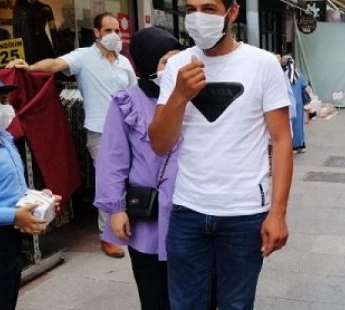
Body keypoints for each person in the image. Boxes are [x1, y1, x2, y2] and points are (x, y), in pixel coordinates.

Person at [147, 0, 293, 309]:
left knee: (236, 305)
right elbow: (159, 143)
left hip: (244, 214)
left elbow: (281, 141)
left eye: (209, 9)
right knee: (184, 305)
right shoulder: (177, 66)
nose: (198, 17)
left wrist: (277, 212)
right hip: (188, 209)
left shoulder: (263, 64)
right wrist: (180, 95)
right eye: (190, 9)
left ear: (233, 12)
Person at [6, 12, 137, 258]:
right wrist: (30, 66)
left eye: (117, 31)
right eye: (108, 31)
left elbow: (134, 94)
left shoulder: (124, 63)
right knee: (108, 181)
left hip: (127, 129)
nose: (114, 36)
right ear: (97, 33)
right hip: (100, 131)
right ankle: (106, 236)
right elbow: (56, 64)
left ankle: (125, 223)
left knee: (129, 179)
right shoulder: (84, 57)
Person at [93, 27, 182, 310]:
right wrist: (116, 209)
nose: (174, 68)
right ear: (147, 62)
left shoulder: (190, 98)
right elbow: (112, 160)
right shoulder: (127, 102)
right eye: (166, 61)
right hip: (149, 216)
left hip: (189, 211)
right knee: (154, 293)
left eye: (178, 60)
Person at [0, 78, 62, 310]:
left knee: (7, 292)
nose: (3, 108)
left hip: (10, 237)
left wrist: (38, 197)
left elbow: (13, 186)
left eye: (3, 100)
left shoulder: (5, 137)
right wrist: (13, 216)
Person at [282, 55, 309, 153]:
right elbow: (305, 86)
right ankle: (301, 145)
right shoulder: (298, 75)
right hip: (299, 103)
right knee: (299, 124)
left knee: (290, 125)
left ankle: (292, 146)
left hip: (288, 103)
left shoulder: (284, 75)